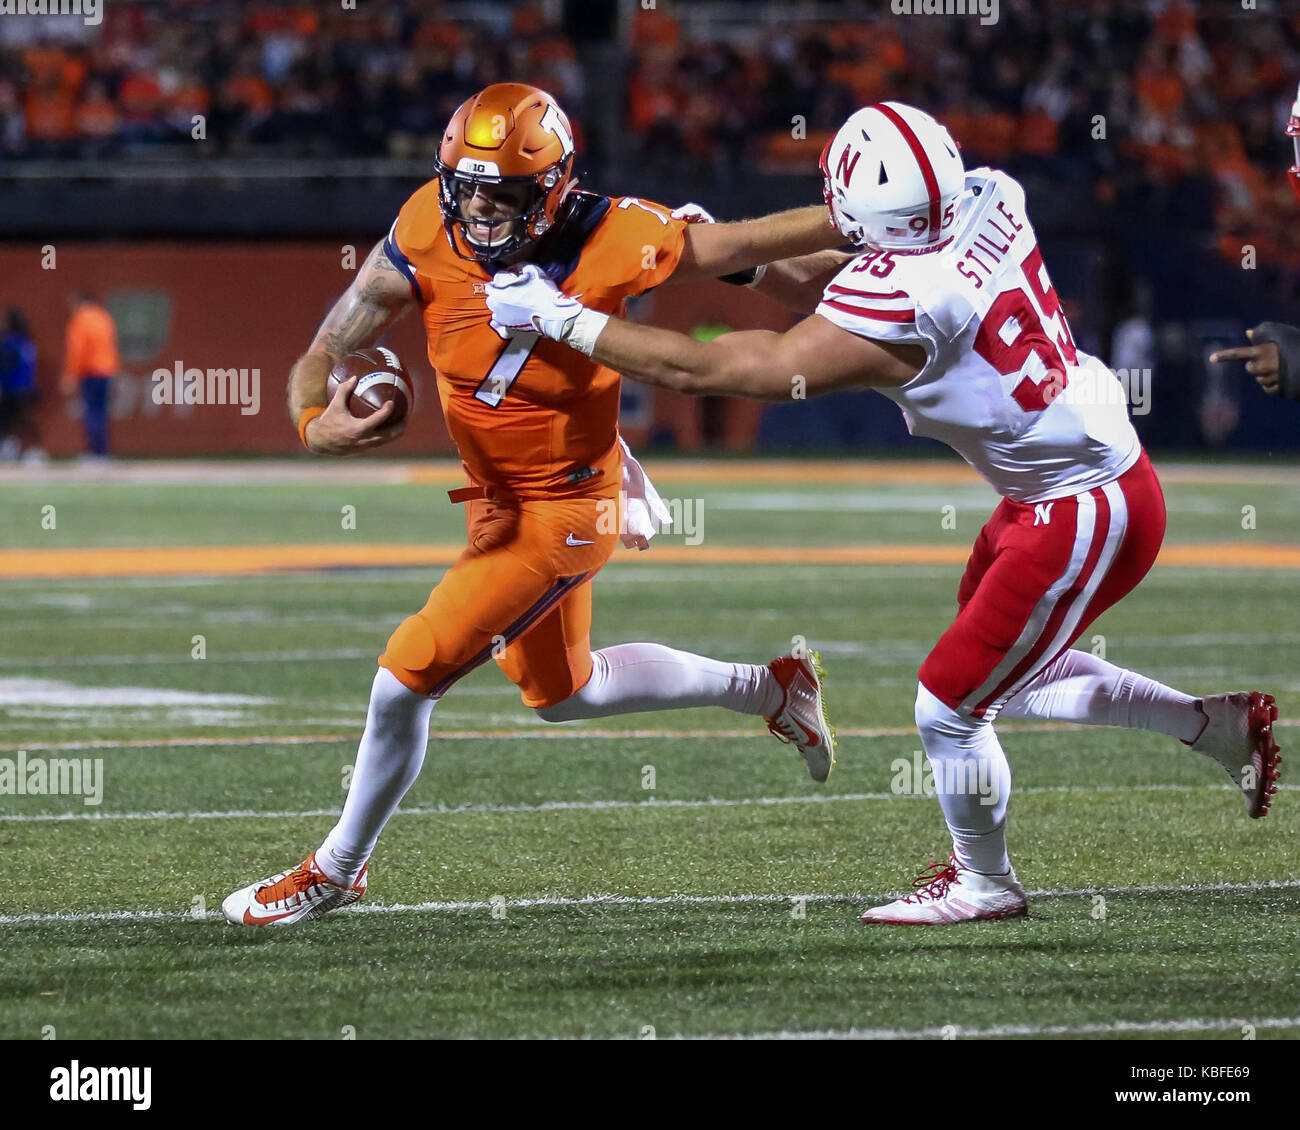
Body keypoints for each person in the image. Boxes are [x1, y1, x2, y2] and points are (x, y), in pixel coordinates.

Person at [487, 100, 1283, 926]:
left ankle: (986, 883)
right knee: (1009, 675)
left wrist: (564, 321)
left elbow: (727, 369)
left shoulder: (913, 298)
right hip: (1062, 489)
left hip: (1082, 509)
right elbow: (860, 276)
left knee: (949, 704)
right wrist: (749, 267)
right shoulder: (991, 194)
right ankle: (1213, 728)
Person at [222, 83, 848, 927]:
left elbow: (733, 246)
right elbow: (330, 345)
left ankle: (339, 867)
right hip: (494, 496)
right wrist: (313, 421)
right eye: (466, 187)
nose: (479, 208)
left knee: (405, 676)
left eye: (504, 192)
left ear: (552, 188)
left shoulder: (615, 232)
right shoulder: (423, 225)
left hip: (565, 506)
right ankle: (771, 691)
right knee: (565, 691)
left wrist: (850, 213)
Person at [1209, 82, 1300, 397]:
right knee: (1253, 259)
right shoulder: (1228, 166)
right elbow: (1224, 219)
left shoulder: (1254, 174)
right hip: (1243, 246)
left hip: (1264, 243)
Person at [62, 290, 120, 459]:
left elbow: (77, 350)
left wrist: (70, 374)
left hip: (91, 371)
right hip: (107, 369)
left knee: (92, 412)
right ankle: (102, 451)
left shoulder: (80, 320)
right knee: (100, 412)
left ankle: (96, 453)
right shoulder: (103, 317)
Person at [0, 307, 44, 462]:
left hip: (13, 390)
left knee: (10, 422)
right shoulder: (26, 340)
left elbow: (5, 365)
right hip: (28, 390)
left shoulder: (9, 342)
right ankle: (32, 448)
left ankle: (15, 449)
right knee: (20, 421)